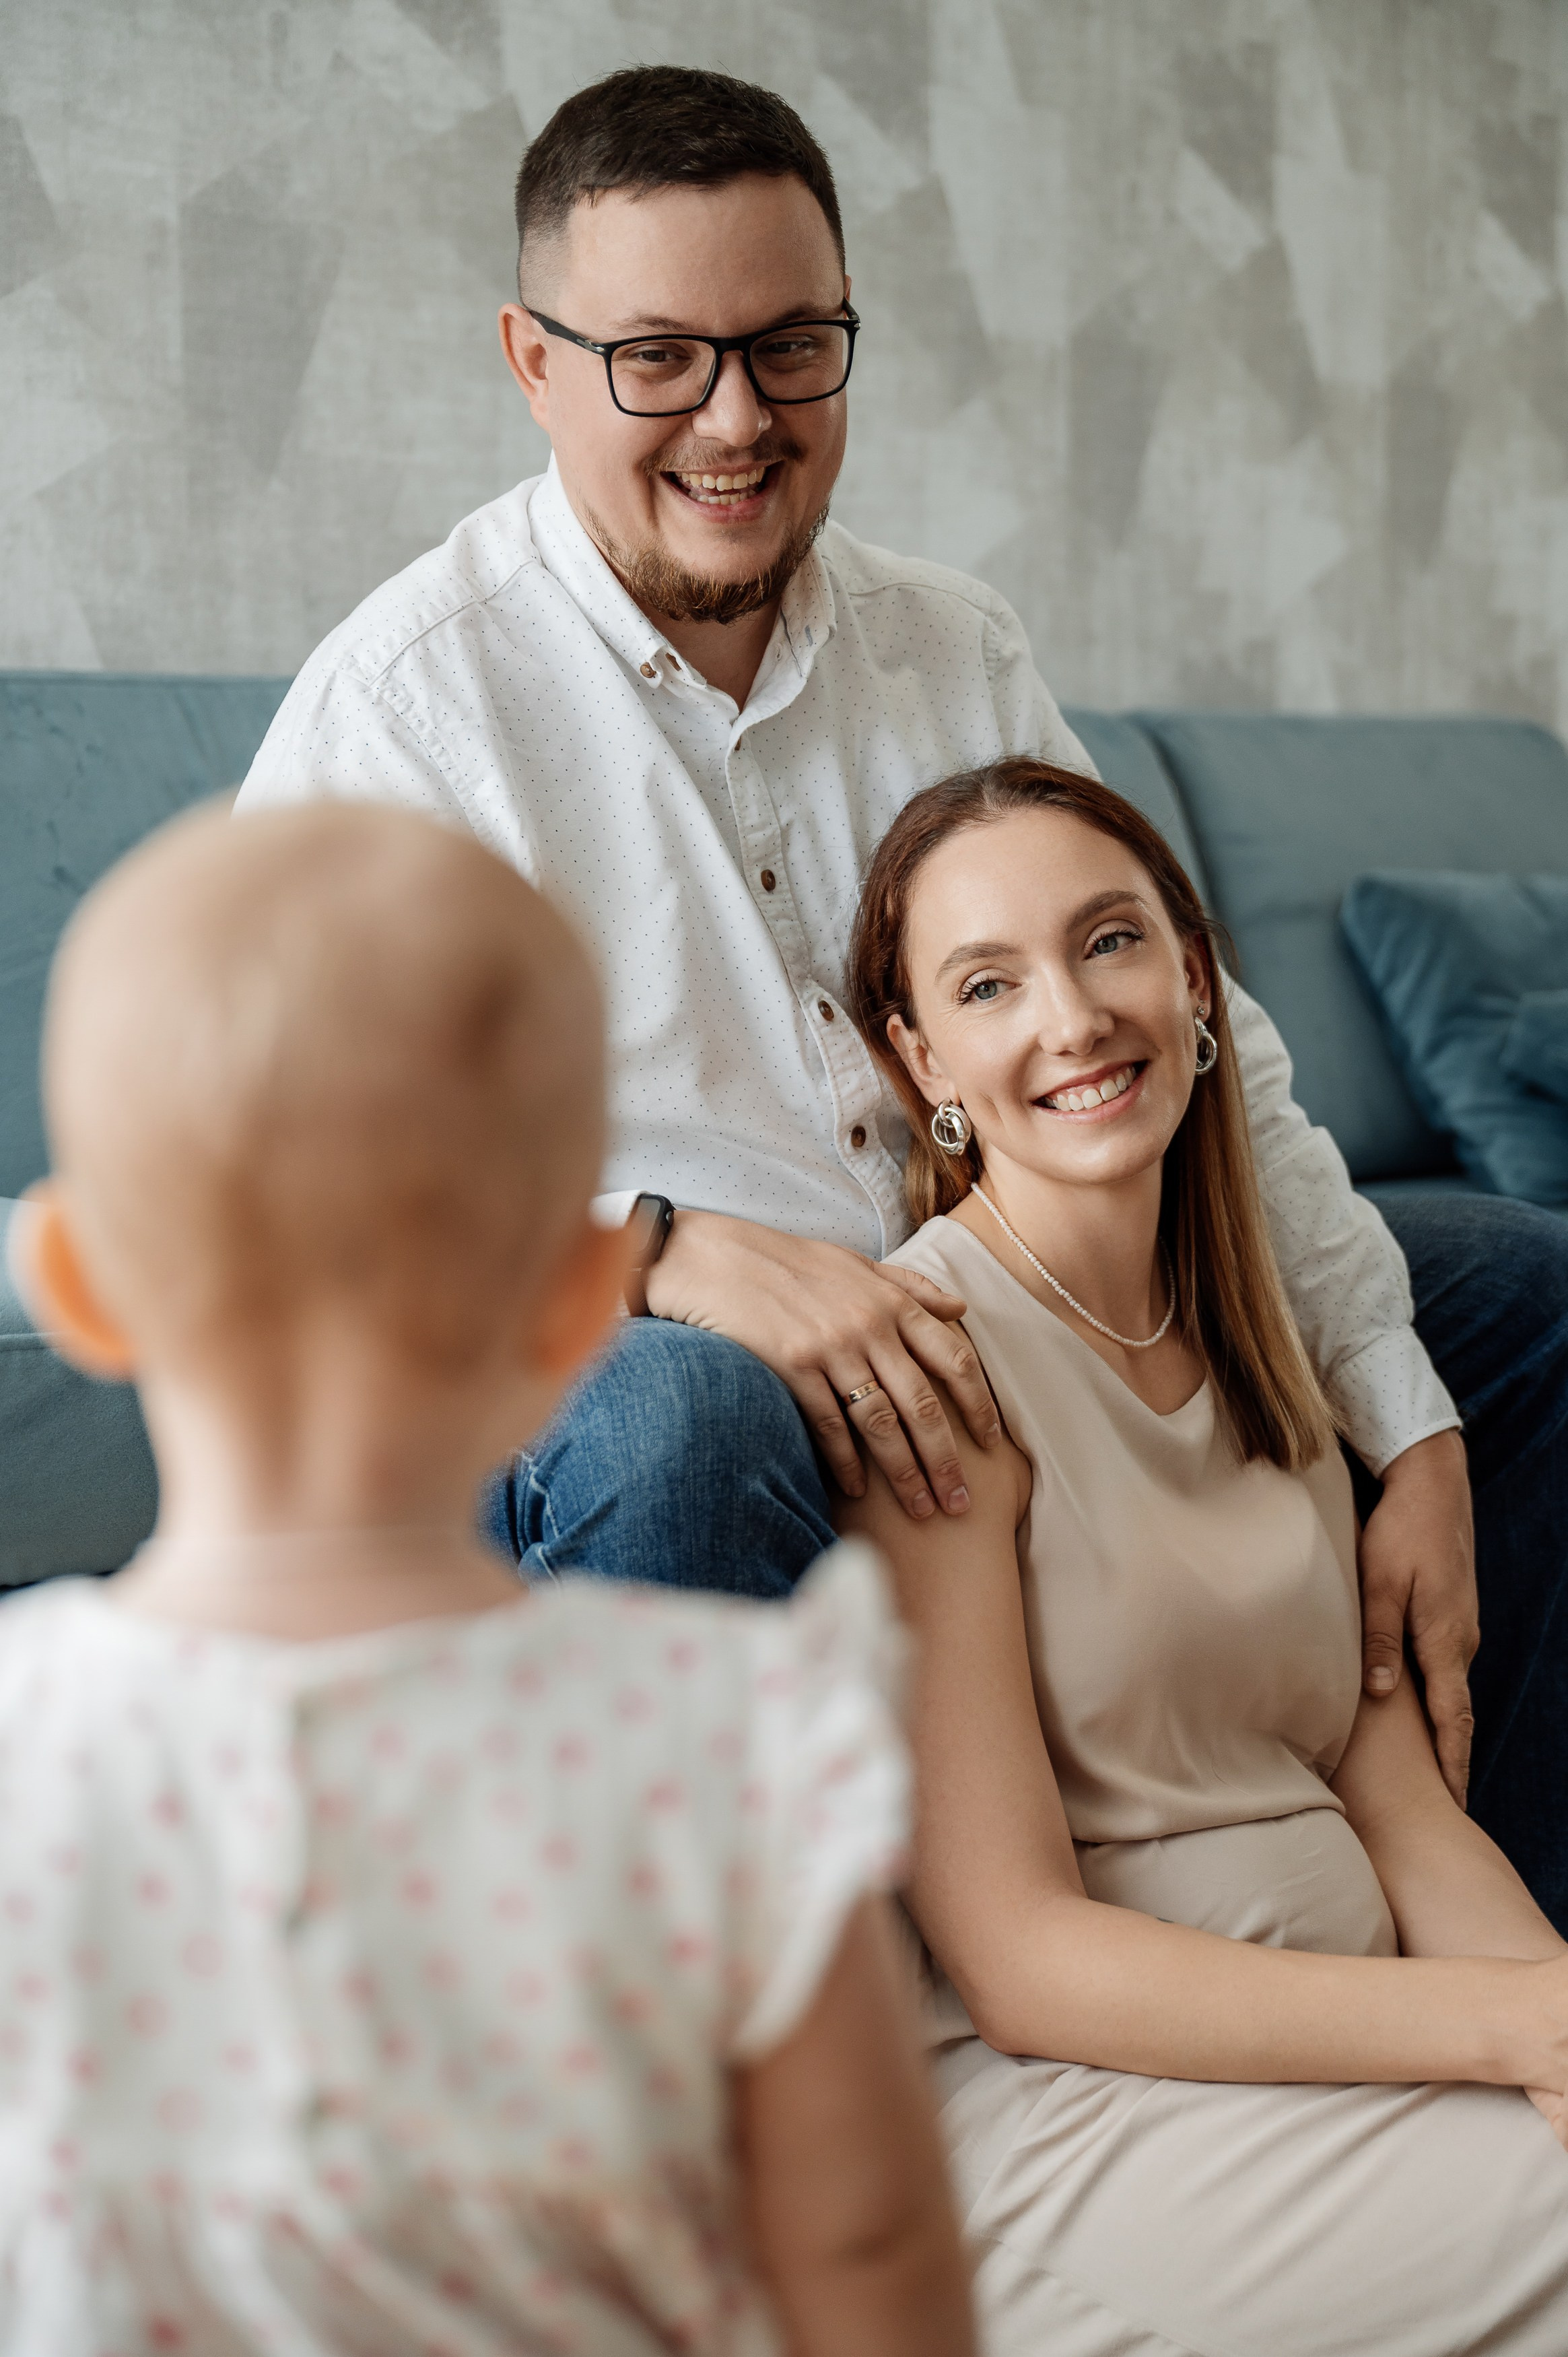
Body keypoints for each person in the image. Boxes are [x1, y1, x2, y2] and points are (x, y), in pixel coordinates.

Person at [235, 63, 1568, 1923]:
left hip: (1017, 1312)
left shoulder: (955, 641)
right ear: (531, 363)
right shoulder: (407, 708)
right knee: (678, 1420)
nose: (734, 417)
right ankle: (717, 2122)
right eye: (656, 358)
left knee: (1512, 1289)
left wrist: (1403, 1420)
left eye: (792, 347)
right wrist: (659, 1251)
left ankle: (1489, 1960)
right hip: (624, 1387)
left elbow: (1208, 1047)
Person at [0, 799, 973, 2357]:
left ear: (73, 1287)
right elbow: (867, 2252)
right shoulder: (725, 1749)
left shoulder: (25, 1738)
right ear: (584, 1304)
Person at [839, 754, 1568, 2354]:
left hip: (1345, 2068)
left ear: (1195, 975)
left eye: (1109, 943)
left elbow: (1391, 1800)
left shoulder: (1260, 1329)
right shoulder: (931, 1371)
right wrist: (1516, 2021)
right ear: (920, 1063)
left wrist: (1551, 2007)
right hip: (1084, 2124)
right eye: (987, 983)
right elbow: (1021, 1960)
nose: (1072, 1017)